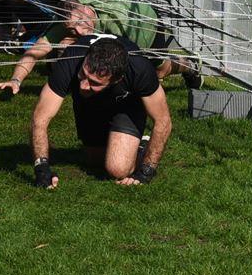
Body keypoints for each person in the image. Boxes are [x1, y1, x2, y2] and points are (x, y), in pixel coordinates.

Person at [28, 36, 172, 188]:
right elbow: (39, 119)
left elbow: (163, 121)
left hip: (126, 104)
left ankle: (141, 147)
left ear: (117, 79)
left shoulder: (139, 68)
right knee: (95, 161)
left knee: (117, 168)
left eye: (94, 82)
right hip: (88, 102)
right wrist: (42, 169)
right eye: (83, 74)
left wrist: (146, 171)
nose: (83, 85)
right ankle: (130, 145)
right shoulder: (71, 59)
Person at [0, 0, 193, 94]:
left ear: (86, 9)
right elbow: (36, 51)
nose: (79, 31)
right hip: (119, 32)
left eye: (81, 23)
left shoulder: (118, 20)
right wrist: (16, 80)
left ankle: (190, 67)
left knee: (158, 70)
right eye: (72, 29)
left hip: (146, 23)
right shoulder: (69, 18)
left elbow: (132, 61)